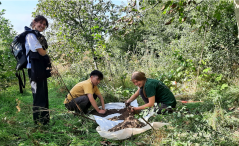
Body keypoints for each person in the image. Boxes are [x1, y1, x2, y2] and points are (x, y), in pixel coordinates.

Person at [26, 15, 50, 125]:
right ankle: (38, 123)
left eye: (44, 24)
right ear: (34, 22)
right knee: (38, 96)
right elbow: (41, 52)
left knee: (43, 95)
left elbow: (43, 50)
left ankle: (45, 121)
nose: (42, 25)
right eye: (40, 23)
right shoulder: (30, 35)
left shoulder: (37, 36)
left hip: (39, 68)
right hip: (34, 69)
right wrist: (44, 51)